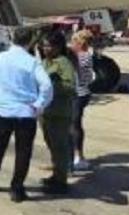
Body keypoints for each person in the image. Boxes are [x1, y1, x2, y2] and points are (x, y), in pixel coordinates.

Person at [0, 27, 54, 203]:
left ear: (12, 38)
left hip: (4, 111)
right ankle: (17, 188)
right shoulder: (32, 62)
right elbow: (47, 86)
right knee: (23, 152)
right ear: (30, 41)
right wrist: (39, 105)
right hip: (26, 113)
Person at [39, 32, 77, 194]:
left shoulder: (63, 63)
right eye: (44, 45)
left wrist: (50, 86)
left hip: (59, 113)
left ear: (59, 47)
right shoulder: (44, 62)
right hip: (46, 112)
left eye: (49, 46)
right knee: (52, 146)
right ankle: (56, 175)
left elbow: (70, 86)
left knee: (60, 148)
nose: (46, 49)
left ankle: (61, 181)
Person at [69, 29, 94, 171]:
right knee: (75, 125)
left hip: (79, 94)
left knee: (74, 125)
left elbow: (74, 67)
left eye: (73, 41)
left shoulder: (83, 56)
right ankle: (77, 155)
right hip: (81, 93)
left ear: (80, 43)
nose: (71, 44)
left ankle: (78, 156)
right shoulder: (84, 55)